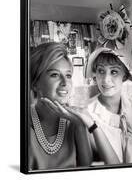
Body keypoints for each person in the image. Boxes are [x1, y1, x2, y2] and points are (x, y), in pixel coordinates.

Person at [67, 46, 132, 164]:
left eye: (114, 72)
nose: (106, 79)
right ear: (95, 74)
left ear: (124, 75)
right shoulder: (87, 114)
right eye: (101, 71)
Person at [29, 42, 92, 171]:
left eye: (68, 75)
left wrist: (79, 125)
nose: (65, 82)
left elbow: (86, 171)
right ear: (35, 83)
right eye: (55, 75)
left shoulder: (77, 119)